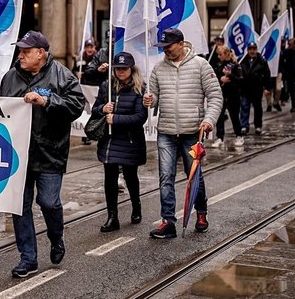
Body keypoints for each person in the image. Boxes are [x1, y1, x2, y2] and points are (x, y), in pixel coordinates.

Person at [0, 30, 85, 278]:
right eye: (20, 50)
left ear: (41, 53)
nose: (21, 55)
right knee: (19, 206)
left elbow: (76, 106)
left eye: (26, 51)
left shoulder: (62, 76)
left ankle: (56, 237)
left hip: (50, 152)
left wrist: (48, 102)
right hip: (18, 154)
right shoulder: (10, 77)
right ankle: (28, 258)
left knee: (48, 202)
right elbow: (0, 109)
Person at [143, 28, 222, 239]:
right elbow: (154, 98)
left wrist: (208, 120)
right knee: (165, 176)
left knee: (194, 175)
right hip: (167, 132)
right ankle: (168, 221)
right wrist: (149, 100)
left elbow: (215, 96)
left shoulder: (200, 65)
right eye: (163, 48)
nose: (166, 51)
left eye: (169, 46)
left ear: (181, 43)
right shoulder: (158, 68)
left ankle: (201, 213)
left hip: (192, 132)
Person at [90, 52, 147, 232]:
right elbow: (95, 110)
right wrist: (102, 108)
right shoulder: (106, 86)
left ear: (131, 69)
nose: (120, 72)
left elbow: (140, 117)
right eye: (117, 69)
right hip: (110, 139)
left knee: (130, 176)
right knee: (110, 176)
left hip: (130, 140)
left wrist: (116, 119)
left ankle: (136, 205)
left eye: (124, 68)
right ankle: (112, 216)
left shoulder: (140, 88)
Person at [210, 45, 244, 149]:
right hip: (221, 94)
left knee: (234, 116)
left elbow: (241, 80)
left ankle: (239, 135)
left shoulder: (235, 65)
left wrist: (230, 76)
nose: (219, 57)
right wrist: (221, 79)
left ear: (226, 54)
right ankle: (219, 137)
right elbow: (213, 77)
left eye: (220, 55)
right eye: (218, 55)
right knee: (220, 117)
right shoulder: (218, 65)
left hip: (233, 95)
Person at [239, 41, 270, 136]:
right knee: (244, 107)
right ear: (247, 50)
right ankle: (244, 126)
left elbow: (267, 74)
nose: (252, 51)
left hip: (257, 89)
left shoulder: (262, 61)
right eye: (250, 49)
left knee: (257, 108)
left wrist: (267, 87)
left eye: (254, 49)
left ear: (256, 50)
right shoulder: (242, 60)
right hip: (245, 88)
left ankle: (258, 126)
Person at [281, 38, 295, 113]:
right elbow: (284, 62)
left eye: (290, 44)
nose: (289, 46)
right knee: (292, 90)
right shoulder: (287, 52)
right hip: (290, 73)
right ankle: (293, 104)